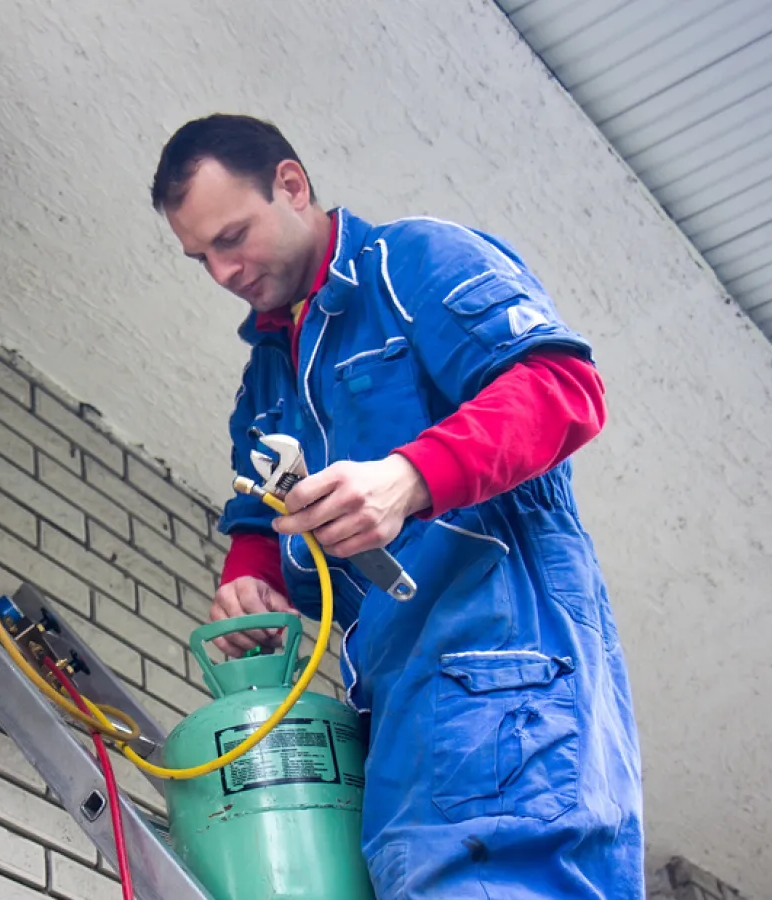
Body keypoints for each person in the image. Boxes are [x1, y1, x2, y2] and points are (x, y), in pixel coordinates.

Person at [149, 114, 644, 898]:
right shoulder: (266, 383)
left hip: (504, 689)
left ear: (291, 184)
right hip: (391, 717)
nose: (221, 271)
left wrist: (409, 476)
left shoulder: (410, 263)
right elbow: (255, 517)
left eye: (232, 236)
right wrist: (252, 581)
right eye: (200, 256)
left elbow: (564, 389)